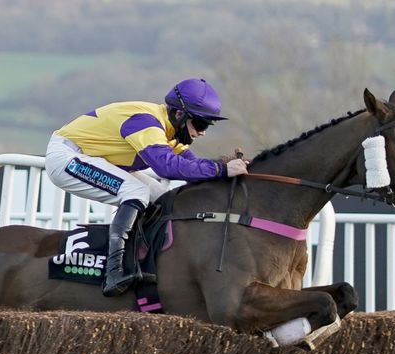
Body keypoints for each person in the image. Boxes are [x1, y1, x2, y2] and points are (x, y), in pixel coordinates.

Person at [45, 78, 248, 297]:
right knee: (136, 192)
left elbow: (191, 167)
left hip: (96, 159)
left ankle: (144, 261)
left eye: (207, 126)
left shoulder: (170, 132)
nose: (203, 132)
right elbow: (166, 167)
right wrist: (220, 169)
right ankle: (114, 272)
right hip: (67, 157)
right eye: (200, 124)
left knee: (165, 199)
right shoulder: (147, 123)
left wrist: (225, 175)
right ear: (179, 114)